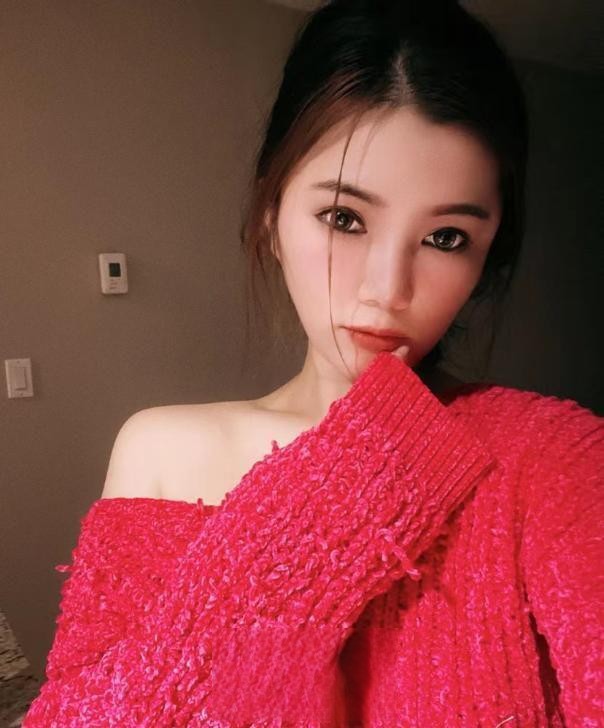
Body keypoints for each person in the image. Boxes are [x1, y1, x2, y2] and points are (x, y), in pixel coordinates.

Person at [23, 1, 602, 726]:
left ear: (485, 259)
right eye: (344, 219)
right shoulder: (161, 449)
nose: (387, 290)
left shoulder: (550, 457)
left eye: (447, 238)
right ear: (271, 216)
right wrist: (343, 494)